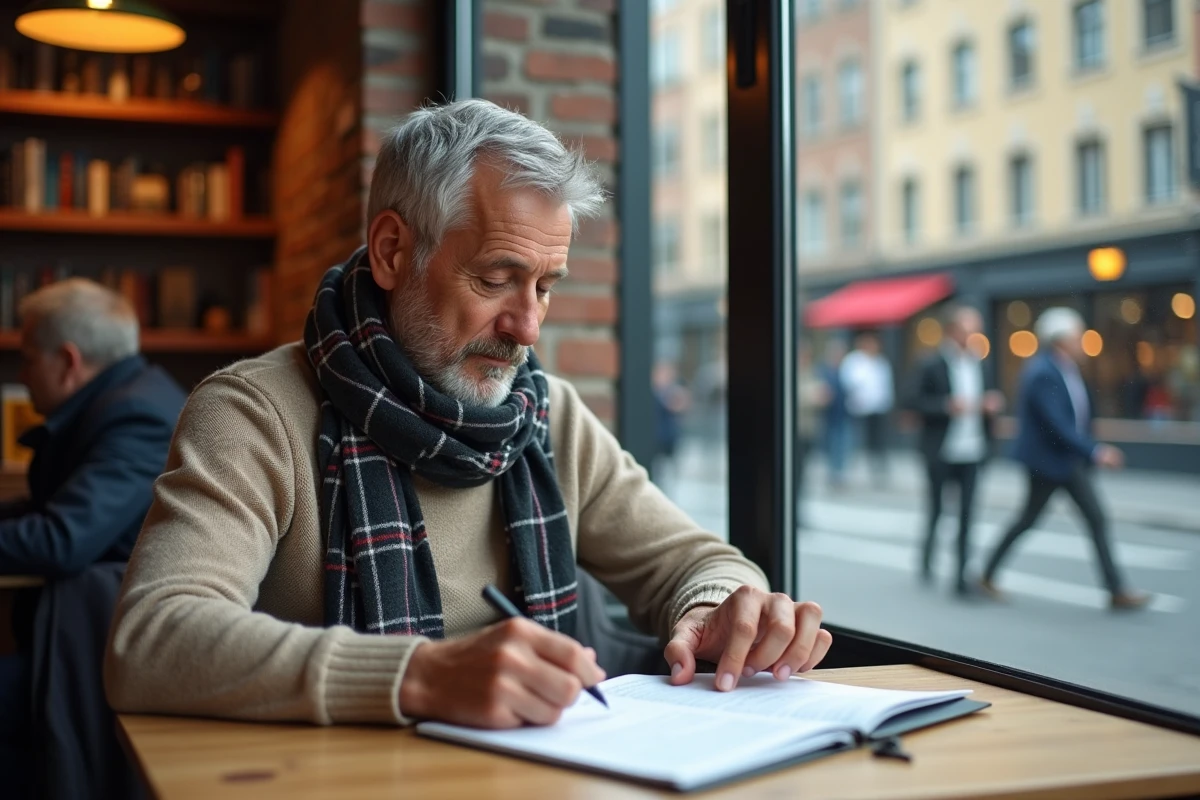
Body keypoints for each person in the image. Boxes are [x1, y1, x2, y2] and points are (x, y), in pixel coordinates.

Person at [105, 100, 832, 732]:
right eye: (496, 278)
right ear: (393, 251)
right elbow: (152, 641)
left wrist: (723, 609)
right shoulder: (254, 412)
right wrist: (420, 677)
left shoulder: (544, 414)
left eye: (546, 286)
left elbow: (696, 561)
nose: (528, 328)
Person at [0, 279, 187, 797]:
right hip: (83, 639)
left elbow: (63, 538)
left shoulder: (138, 416)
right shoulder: (124, 399)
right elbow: (53, 509)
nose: (22, 374)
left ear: (67, 360)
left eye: (26, 358)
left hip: (107, 655)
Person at [979, 308, 1150, 611]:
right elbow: (1056, 425)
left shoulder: (1062, 367)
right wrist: (1095, 451)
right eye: (1077, 336)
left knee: (1082, 519)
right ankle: (1115, 590)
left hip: (1065, 460)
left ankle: (1115, 589)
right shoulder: (1043, 371)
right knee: (1037, 519)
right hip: (1051, 462)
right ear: (1061, 340)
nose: (1082, 342)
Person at [911, 306, 1004, 595]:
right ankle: (927, 559)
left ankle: (961, 575)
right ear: (952, 331)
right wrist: (945, 405)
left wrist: (992, 405)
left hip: (973, 449)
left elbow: (992, 398)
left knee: (968, 513)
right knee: (937, 508)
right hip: (941, 448)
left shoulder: (982, 364)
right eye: (968, 329)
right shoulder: (931, 363)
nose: (973, 334)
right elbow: (911, 401)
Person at [840, 331, 894, 486]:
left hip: (878, 408)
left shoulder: (881, 362)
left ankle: (878, 472)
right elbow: (849, 382)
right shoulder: (853, 361)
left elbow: (885, 386)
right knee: (855, 440)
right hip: (859, 409)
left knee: (878, 442)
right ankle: (847, 472)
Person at [818, 339, 850, 489]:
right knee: (833, 446)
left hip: (845, 415)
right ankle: (833, 474)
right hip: (830, 416)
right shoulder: (825, 371)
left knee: (843, 446)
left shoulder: (846, 371)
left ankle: (839, 473)